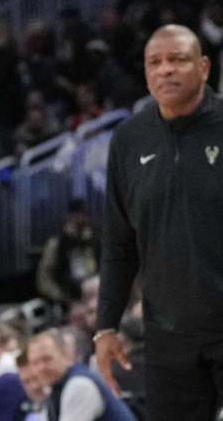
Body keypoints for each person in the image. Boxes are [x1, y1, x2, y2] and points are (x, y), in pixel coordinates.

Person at [96, 24, 223, 421]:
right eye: (156, 62)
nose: (166, 70)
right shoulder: (129, 139)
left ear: (204, 67)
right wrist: (106, 327)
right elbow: (118, 243)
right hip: (167, 335)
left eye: (178, 60)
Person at [28, 330, 135, 421]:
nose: (41, 368)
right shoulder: (55, 389)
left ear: (67, 356)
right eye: (35, 363)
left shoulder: (79, 385)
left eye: (47, 359)